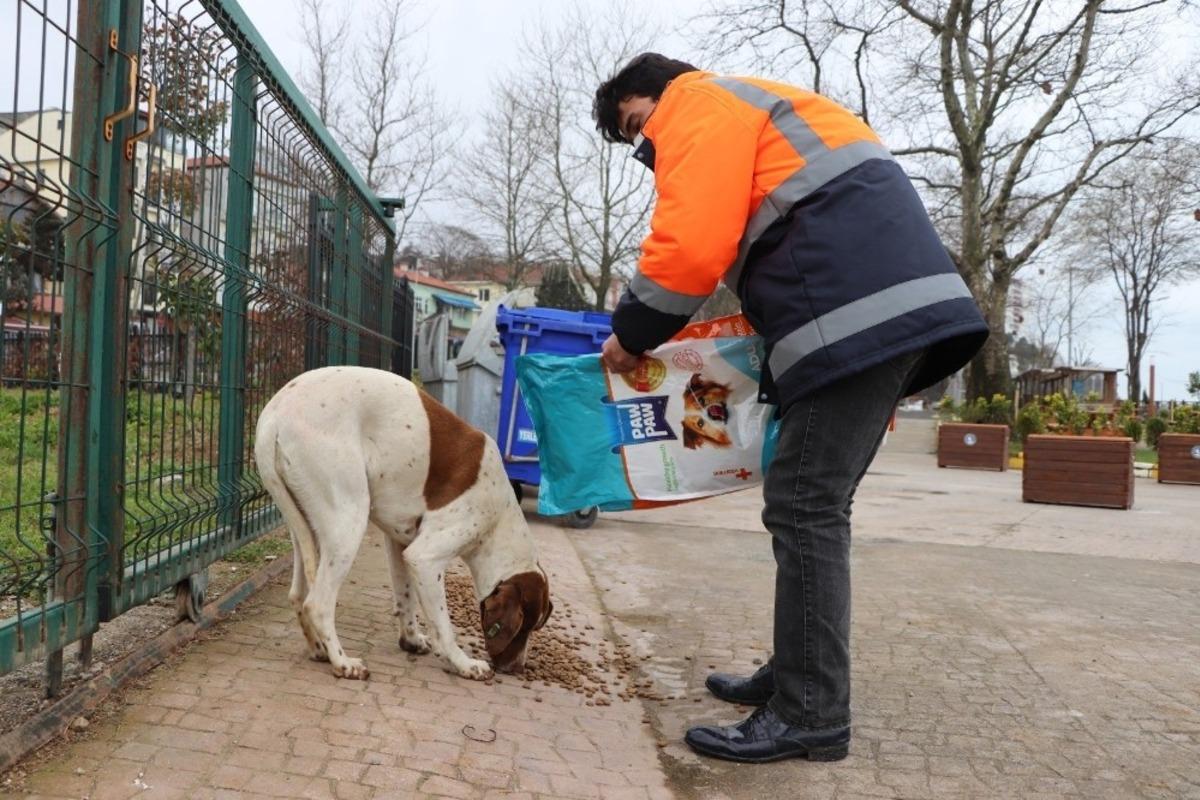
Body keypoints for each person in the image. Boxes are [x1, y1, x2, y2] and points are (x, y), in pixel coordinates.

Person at [593, 53, 989, 763]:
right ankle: (798, 674)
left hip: (861, 317)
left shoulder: (700, 103)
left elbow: (690, 244)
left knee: (806, 505)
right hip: (879, 312)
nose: (643, 147)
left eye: (635, 125)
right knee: (809, 503)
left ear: (657, 92)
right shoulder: (757, 109)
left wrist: (632, 335)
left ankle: (810, 713)